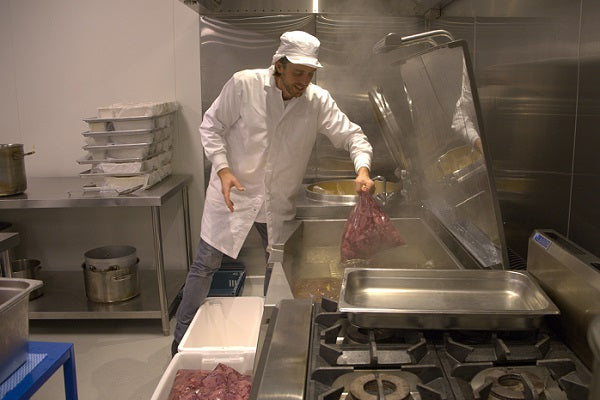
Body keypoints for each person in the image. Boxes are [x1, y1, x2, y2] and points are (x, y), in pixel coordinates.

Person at [172, 31, 375, 355]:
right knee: (205, 265)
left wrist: (362, 169)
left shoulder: (317, 100)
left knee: (277, 269)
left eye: (309, 74)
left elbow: (352, 136)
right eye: (298, 73)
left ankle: (270, 341)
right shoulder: (243, 85)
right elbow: (211, 126)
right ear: (279, 65)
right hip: (233, 194)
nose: (303, 81)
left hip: (278, 202)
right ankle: (180, 341)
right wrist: (223, 169)